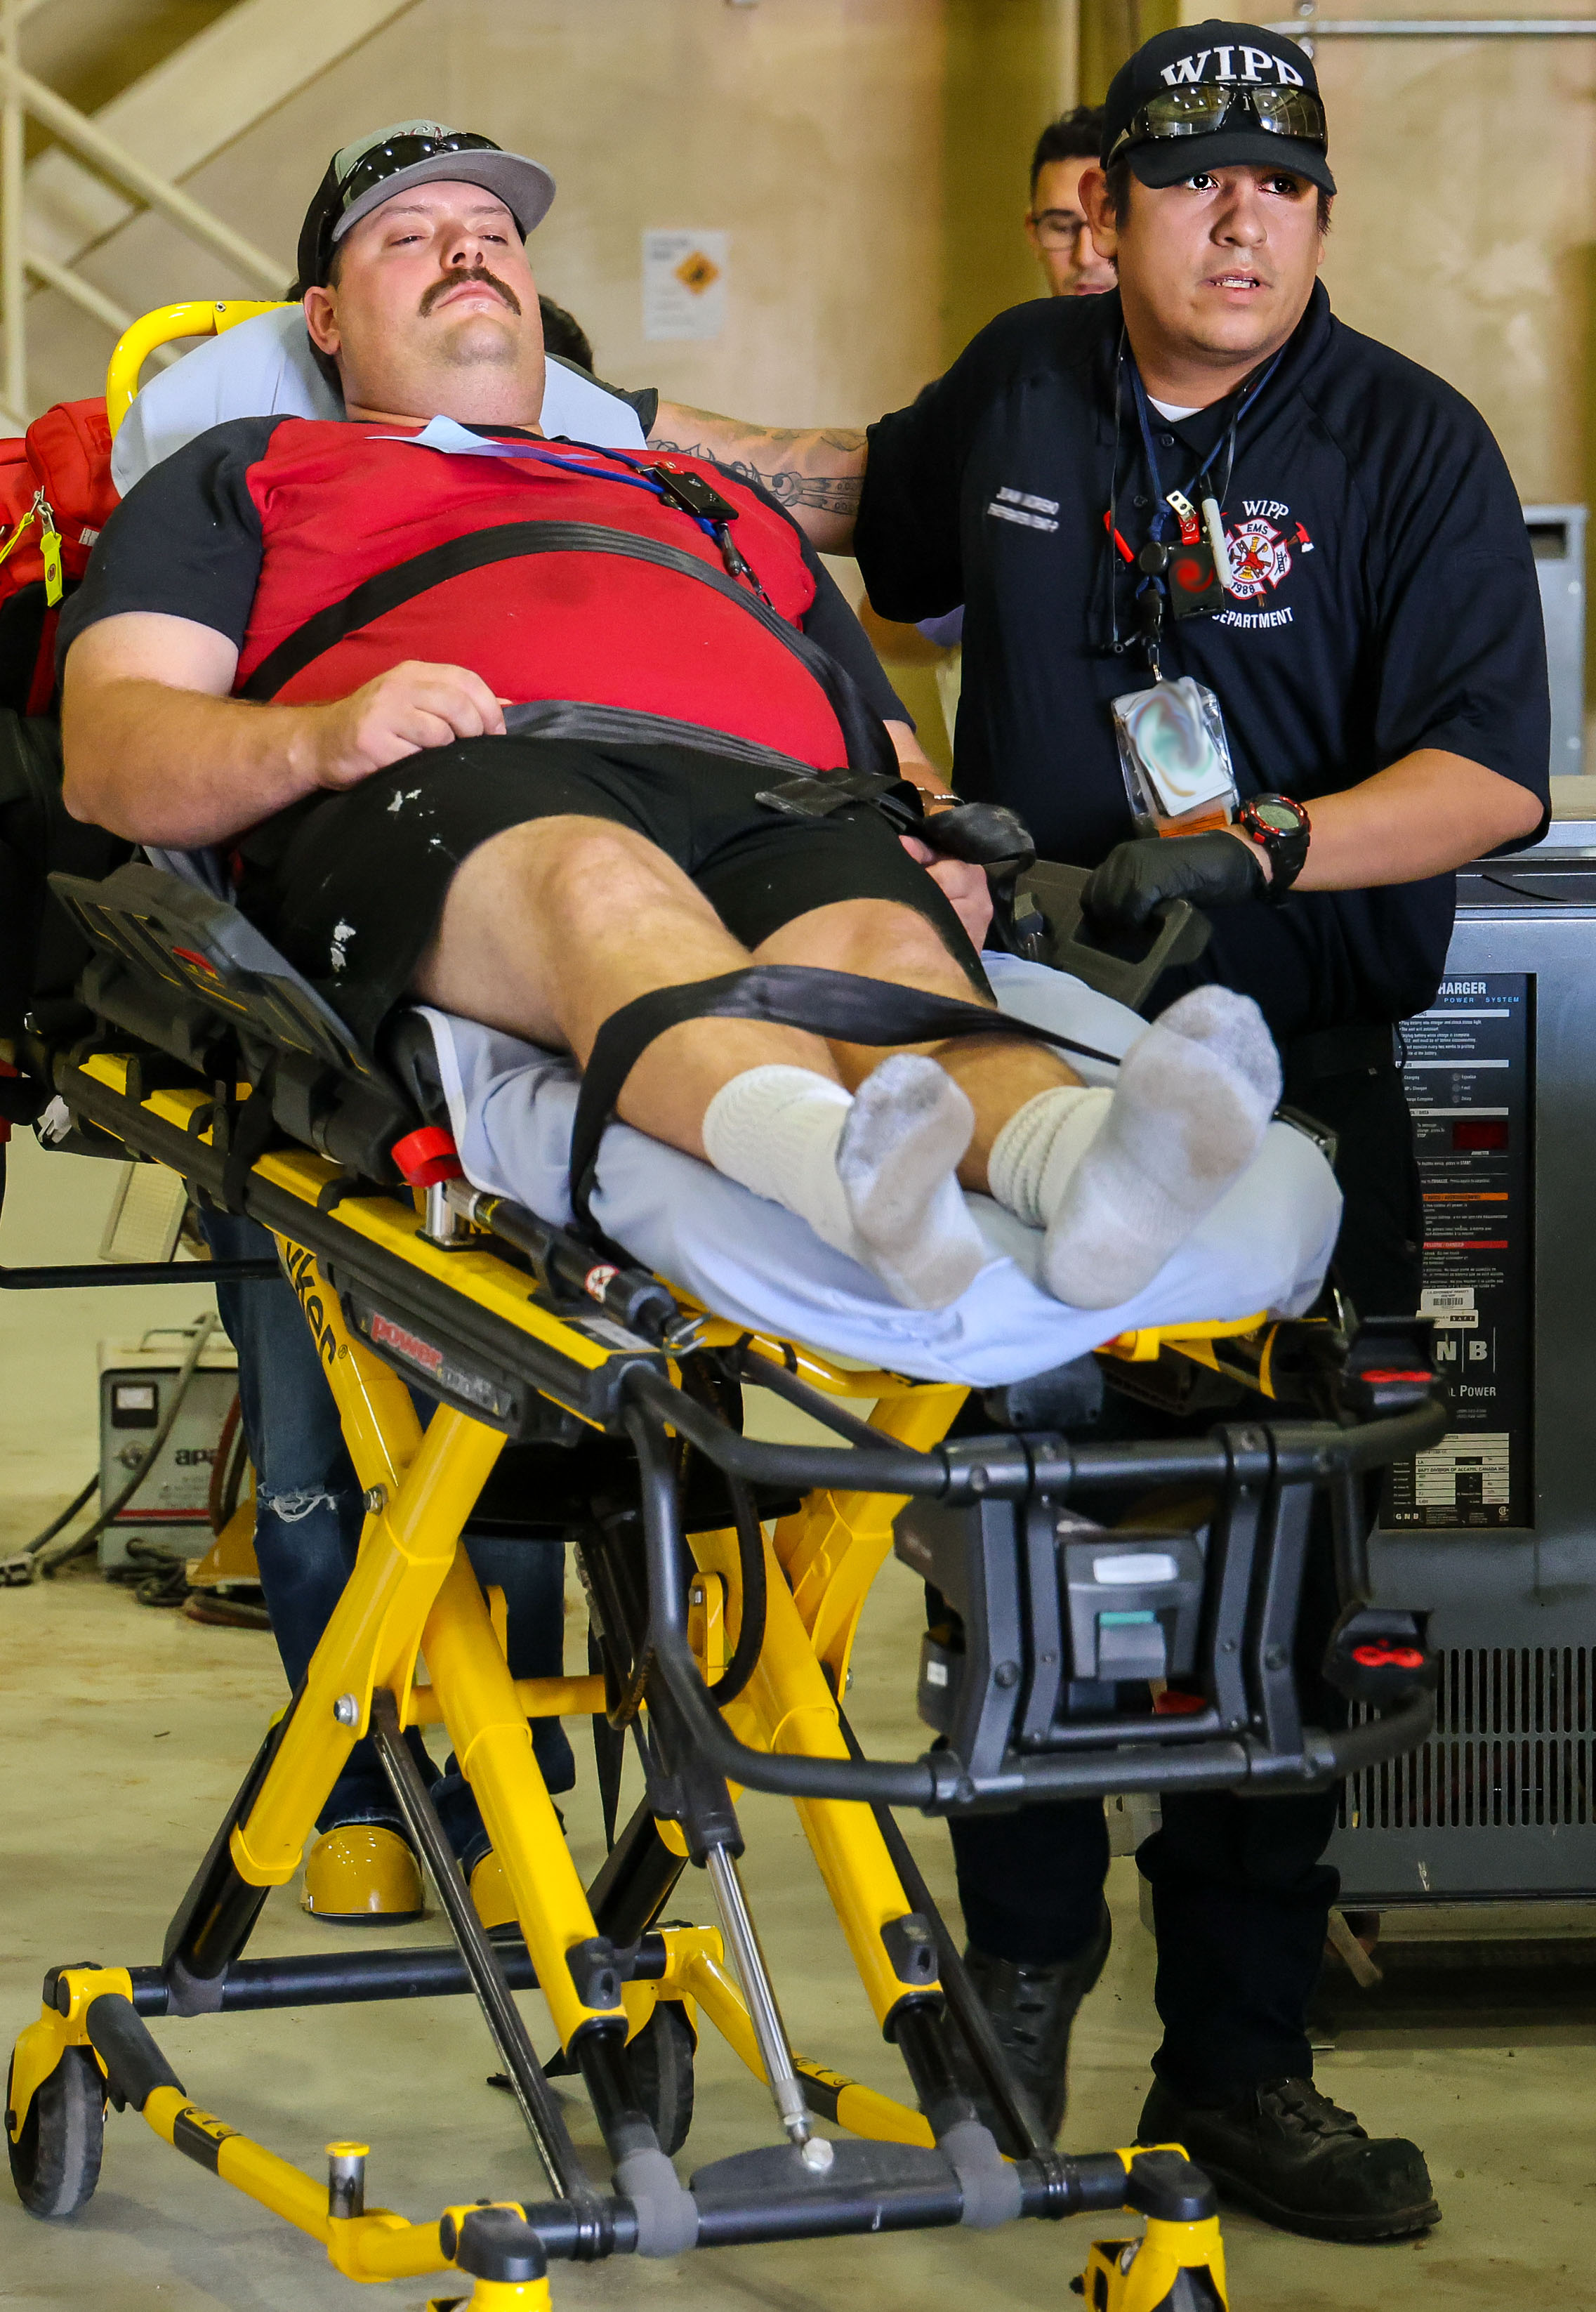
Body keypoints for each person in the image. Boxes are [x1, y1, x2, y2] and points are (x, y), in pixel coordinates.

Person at [656, 20, 1550, 2245]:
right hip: (1014, 1065)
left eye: (1280, 181)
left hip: (1292, 1075)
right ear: (1118, 209)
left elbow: (1487, 775)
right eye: (1190, 178)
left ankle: (1240, 2064)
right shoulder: (1029, 381)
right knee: (1010, 1543)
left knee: (1273, 1579)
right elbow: (861, 490)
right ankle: (1012, 2003)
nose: (1237, 214)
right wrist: (594, 425)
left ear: (1319, 217)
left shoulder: (1403, 440)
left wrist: (1256, 843)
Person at [857, 104, 1114, 724]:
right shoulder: (985, 393)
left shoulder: (1212, 388)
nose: (1084, 253)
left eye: (1102, 220)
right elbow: (882, 627)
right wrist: (986, 580)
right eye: (1059, 224)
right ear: (1031, 233)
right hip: (1010, 782)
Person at [1025, 104, 1119, 300]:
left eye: (1108, 224)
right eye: (1062, 228)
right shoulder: (1005, 331)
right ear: (1033, 235)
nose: (1085, 258)